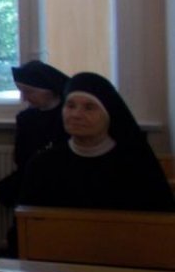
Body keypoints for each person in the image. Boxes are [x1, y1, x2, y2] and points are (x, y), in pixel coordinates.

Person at [21, 72, 174, 212]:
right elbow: (26, 223)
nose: (76, 115)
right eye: (70, 106)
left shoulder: (136, 165)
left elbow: (159, 222)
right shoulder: (42, 165)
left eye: (89, 107)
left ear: (109, 114)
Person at [0, 60, 70, 208]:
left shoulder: (71, 118)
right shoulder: (25, 119)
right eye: (22, 92)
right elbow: (24, 165)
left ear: (49, 89)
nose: (24, 98)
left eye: (29, 92)